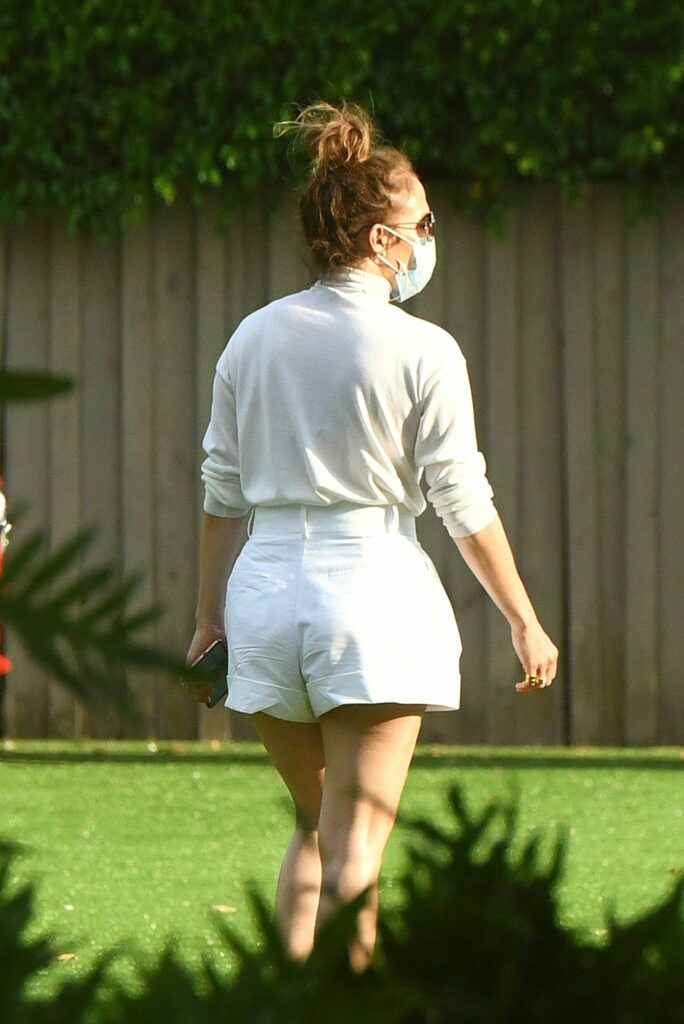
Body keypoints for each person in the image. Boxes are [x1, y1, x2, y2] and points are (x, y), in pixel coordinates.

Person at [185, 100, 559, 974]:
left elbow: (220, 492)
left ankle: (284, 1003)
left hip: (265, 597)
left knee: (312, 829)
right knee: (356, 844)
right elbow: (460, 496)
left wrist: (208, 620)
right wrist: (524, 618)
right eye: (423, 223)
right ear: (383, 240)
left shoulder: (252, 336)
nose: (431, 237)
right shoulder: (423, 349)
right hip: (371, 596)